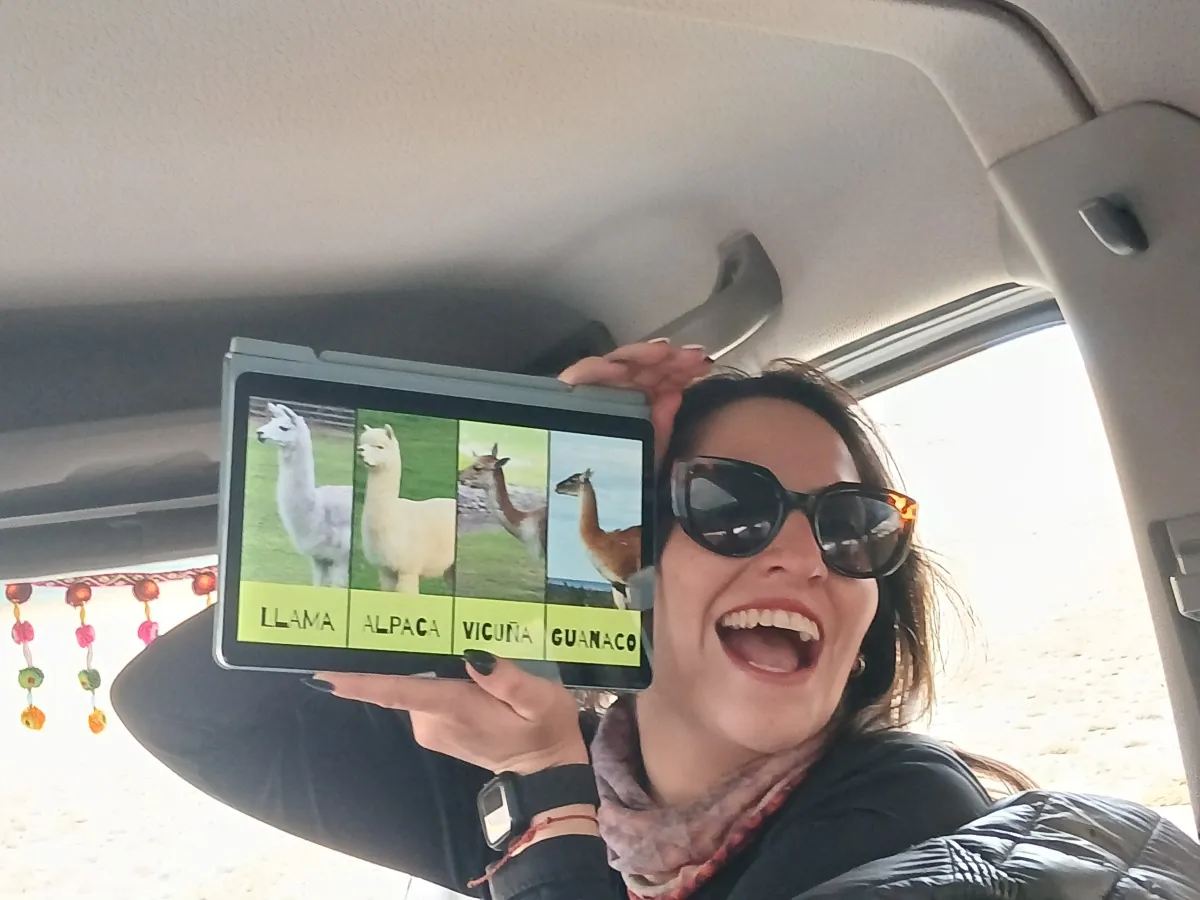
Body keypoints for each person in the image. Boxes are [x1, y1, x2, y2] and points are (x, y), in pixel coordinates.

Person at [112, 339, 1033, 900]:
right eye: (727, 505)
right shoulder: (531, 773)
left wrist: (544, 797)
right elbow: (178, 706)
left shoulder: (916, 817)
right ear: (623, 565)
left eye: (851, 524)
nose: (803, 556)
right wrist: (537, 435)